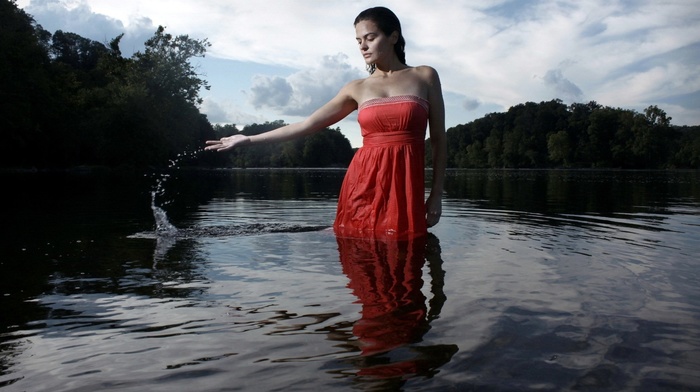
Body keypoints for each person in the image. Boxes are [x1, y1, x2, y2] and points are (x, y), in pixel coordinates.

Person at [205, 6, 446, 240]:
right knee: (361, 256)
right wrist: (247, 139)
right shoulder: (356, 88)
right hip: (363, 183)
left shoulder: (424, 76)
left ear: (393, 36)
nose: (363, 46)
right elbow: (307, 124)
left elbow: (438, 139)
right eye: (358, 40)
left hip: (405, 185)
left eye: (370, 38)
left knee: (405, 259)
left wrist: (436, 194)